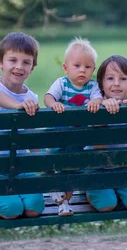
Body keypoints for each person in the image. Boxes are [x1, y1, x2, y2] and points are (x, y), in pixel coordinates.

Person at [0, 32, 45, 220]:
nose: (18, 67)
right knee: (12, 210)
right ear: (0, 62)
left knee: (34, 208)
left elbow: (32, 138)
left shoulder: (31, 98)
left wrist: (45, 164)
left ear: (32, 67)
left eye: (26, 62)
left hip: (20, 168)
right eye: (12, 60)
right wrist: (17, 107)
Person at [44, 37, 103, 216]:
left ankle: (64, 203)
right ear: (66, 68)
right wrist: (54, 104)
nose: (82, 71)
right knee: (59, 165)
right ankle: (60, 196)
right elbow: (48, 97)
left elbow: (98, 97)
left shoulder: (93, 86)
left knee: (72, 167)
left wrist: (95, 101)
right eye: (77, 66)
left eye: (87, 67)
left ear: (93, 69)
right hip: (59, 138)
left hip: (79, 140)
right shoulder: (61, 83)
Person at [86, 55, 127, 212]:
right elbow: (96, 148)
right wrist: (103, 114)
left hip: (126, 167)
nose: (116, 84)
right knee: (106, 205)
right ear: (101, 84)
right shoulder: (94, 105)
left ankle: (119, 189)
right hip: (96, 168)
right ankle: (88, 190)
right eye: (110, 78)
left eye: (123, 79)